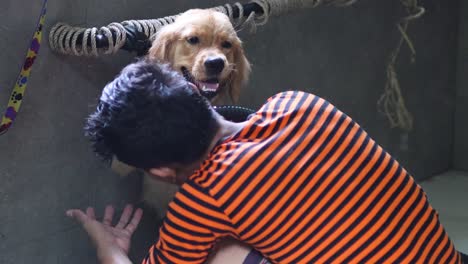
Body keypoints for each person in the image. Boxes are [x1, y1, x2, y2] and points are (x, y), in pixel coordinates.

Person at [67, 59, 468, 264]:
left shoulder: (206, 197)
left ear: (158, 171)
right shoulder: (298, 103)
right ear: (193, 87)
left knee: (220, 255)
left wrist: (111, 251)